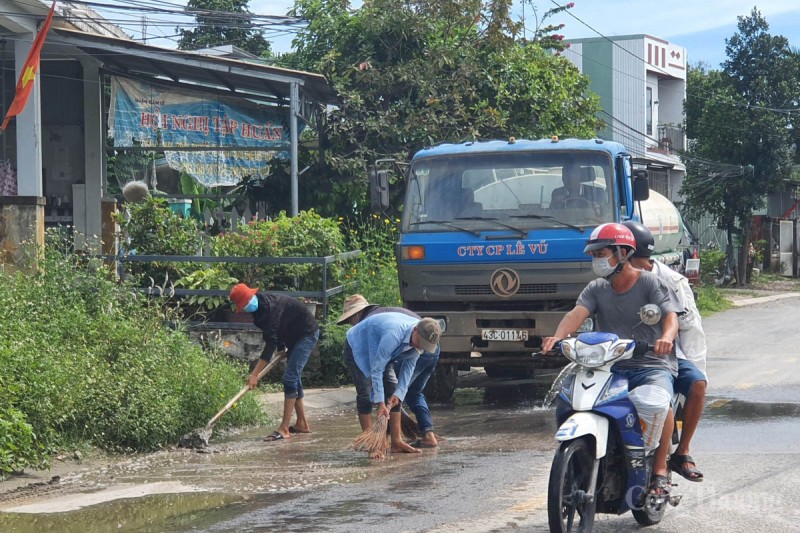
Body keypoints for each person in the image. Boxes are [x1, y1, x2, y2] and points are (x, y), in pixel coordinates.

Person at [541, 222, 680, 496]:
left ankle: (660, 470)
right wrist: (557, 337)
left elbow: (670, 317)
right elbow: (576, 314)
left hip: (650, 363)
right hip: (608, 365)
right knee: (569, 398)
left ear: (622, 253)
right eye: (593, 255)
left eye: (601, 253)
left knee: (657, 402)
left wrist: (666, 338)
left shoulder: (651, 282)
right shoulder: (596, 288)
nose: (597, 261)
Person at [623, 220, 707, 482]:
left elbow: (690, 329)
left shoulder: (672, 281)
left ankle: (681, 452)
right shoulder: (609, 281)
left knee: (697, 385)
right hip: (618, 354)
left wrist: (692, 366)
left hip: (665, 356)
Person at [337, 295, 440, 449]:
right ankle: (371, 442)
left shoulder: (417, 342)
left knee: (393, 390)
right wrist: (380, 403)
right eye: (420, 342)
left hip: (383, 349)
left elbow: (408, 368)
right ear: (415, 331)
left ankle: (396, 442)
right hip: (357, 347)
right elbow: (376, 369)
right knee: (365, 393)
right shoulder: (393, 334)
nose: (420, 347)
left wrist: (398, 394)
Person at [229, 283, 320, 442]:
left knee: (290, 378)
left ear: (253, 296)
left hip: (306, 333)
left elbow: (269, 344)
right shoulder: (259, 315)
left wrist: (254, 374)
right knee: (294, 378)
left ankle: (284, 428)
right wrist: (281, 347)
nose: (246, 306)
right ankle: (302, 424)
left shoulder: (272, 307)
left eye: (247, 302)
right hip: (292, 337)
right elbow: (273, 335)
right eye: (244, 305)